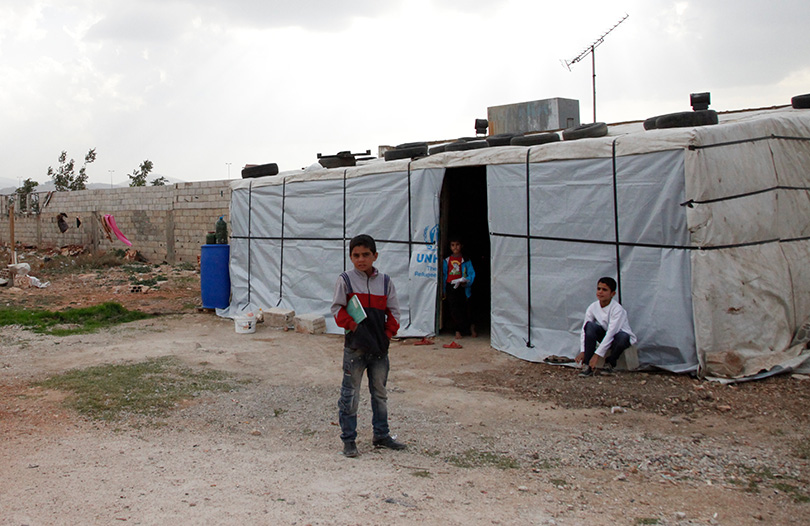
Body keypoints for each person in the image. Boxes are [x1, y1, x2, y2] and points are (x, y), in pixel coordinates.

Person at [331, 234, 406, 458]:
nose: (361, 259)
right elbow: (337, 309)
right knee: (350, 395)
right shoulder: (345, 280)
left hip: (379, 349)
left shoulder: (385, 282)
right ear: (350, 257)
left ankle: (381, 435)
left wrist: (388, 334)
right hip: (355, 348)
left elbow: (394, 311)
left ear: (375, 256)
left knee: (380, 393)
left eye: (366, 255)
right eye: (356, 255)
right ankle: (349, 440)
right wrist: (353, 326)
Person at [576, 277, 637, 377]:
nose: (600, 292)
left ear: (613, 293)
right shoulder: (593, 307)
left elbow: (612, 332)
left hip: (619, 338)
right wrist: (583, 350)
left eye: (604, 290)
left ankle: (610, 364)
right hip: (606, 335)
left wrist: (597, 354)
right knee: (590, 326)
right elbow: (584, 330)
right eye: (598, 289)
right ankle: (588, 365)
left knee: (622, 337)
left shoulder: (617, 309)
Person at [442, 238, 476, 340]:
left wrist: (466, 281)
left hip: (462, 286)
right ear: (450, 247)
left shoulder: (466, 260)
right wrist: (444, 289)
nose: (455, 247)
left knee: (465, 307)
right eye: (452, 245)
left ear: (461, 246)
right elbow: (444, 275)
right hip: (451, 286)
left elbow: (471, 273)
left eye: (457, 245)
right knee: (454, 309)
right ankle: (458, 330)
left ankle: (471, 327)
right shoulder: (447, 260)